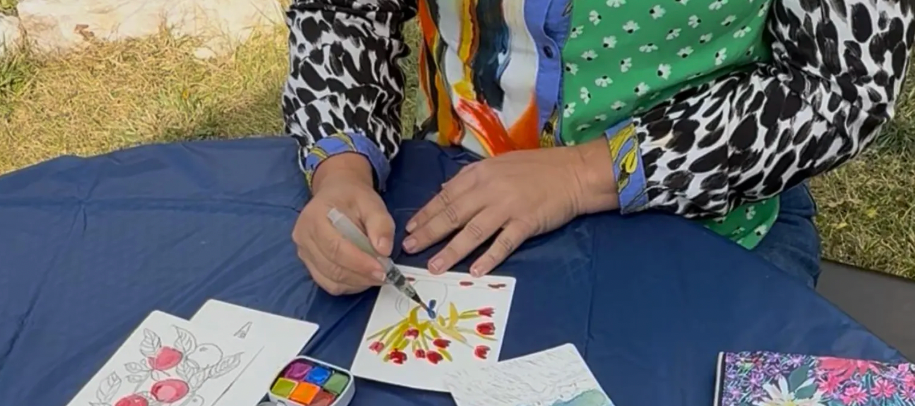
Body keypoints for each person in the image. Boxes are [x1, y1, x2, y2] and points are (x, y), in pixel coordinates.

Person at [284, 0, 914, 292]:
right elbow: (344, 9)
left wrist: (584, 173)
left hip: (701, 225)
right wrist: (341, 167)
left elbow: (840, 83)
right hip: (446, 202)